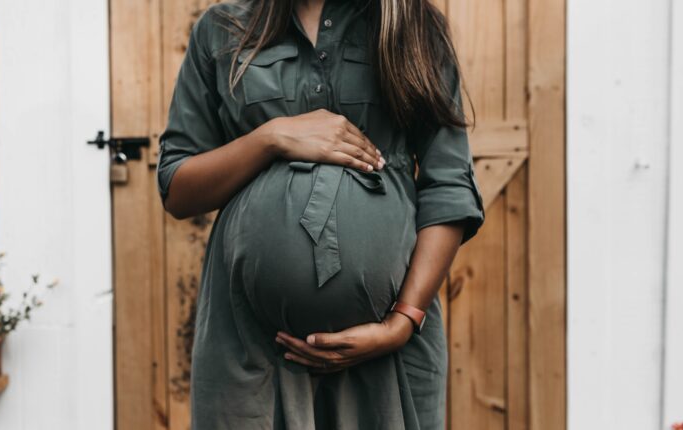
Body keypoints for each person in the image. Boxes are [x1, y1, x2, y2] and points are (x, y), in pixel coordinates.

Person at [156, 0, 485, 428]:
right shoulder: (222, 29)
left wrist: (403, 321)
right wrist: (270, 138)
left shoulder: (414, 26)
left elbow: (449, 186)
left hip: (388, 350)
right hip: (250, 350)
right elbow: (178, 188)